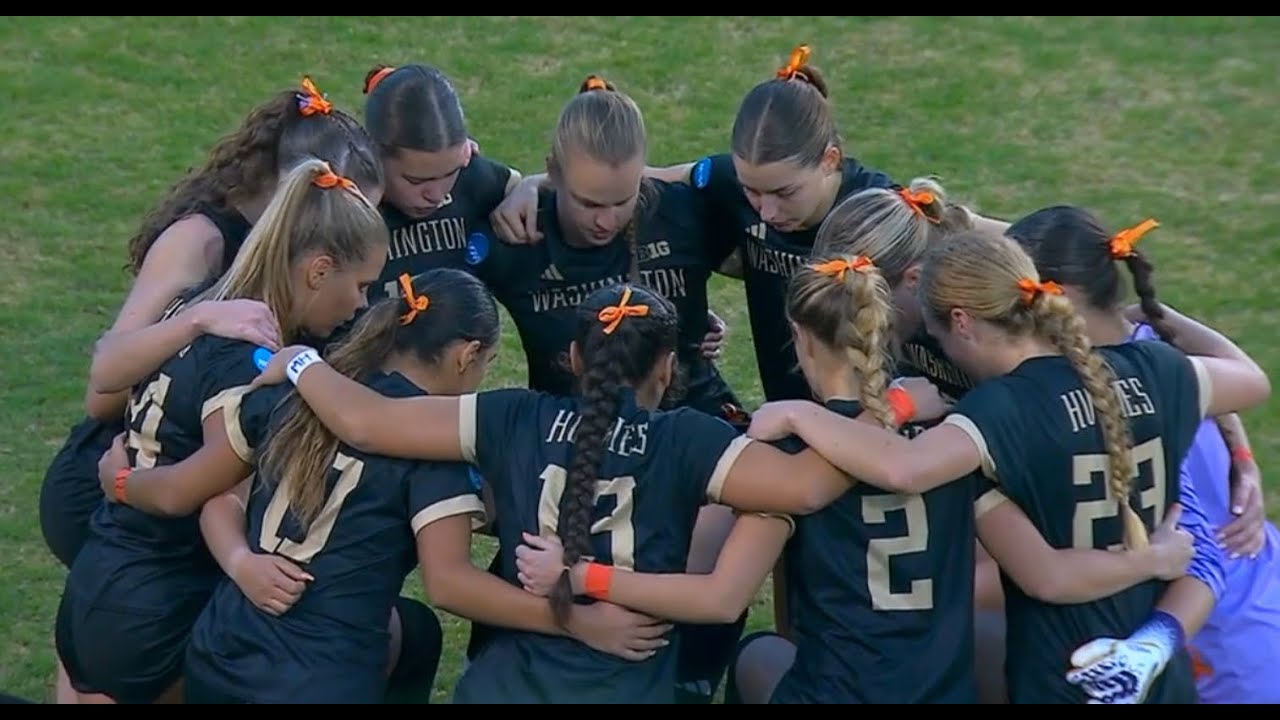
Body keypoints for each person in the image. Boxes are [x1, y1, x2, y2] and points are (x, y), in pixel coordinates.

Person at [510, 254, 1196, 704]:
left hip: (834, 691)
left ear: (800, 341)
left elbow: (708, 573)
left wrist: (586, 573)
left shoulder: (784, 451)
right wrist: (1152, 558)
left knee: (756, 656)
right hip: (944, 692)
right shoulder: (952, 438)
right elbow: (1029, 570)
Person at [250, 282, 914, 703]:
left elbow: (366, 420)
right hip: (623, 688)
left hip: (502, 687)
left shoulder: (510, 415)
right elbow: (805, 487)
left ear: (573, 359)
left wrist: (304, 361)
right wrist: (887, 402)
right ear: (666, 367)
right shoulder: (687, 439)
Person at [743, 228, 1271, 703]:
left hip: (1064, 674)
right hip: (1157, 673)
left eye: (940, 336)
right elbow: (1250, 378)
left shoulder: (1001, 411)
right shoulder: (1156, 367)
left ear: (962, 323)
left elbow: (903, 467)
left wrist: (799, 413)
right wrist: (1160, 314)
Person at [99, 268, 668, 702]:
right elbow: (449, 585)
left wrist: (126, 483)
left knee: (414, 631)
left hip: (220, 652)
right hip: (319, 680)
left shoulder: (297, 394)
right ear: (467, 356)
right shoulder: (431, 449)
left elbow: (206, 494)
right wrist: (578, 623)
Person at [491, 43, 1008, 404]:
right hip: (794, 407)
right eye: (750, 190)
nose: (763, 210)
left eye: (782, 192)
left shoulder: (875, 211)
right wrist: (533, 184)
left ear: (830, 160)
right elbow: (628, 179)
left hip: (880, 407)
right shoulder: (724, 186)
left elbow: (958, 225)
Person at [54, 158, 388, 704]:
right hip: (159, 610)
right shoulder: (248, 358)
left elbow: (107, 367)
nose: (361, 304)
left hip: (96, 579)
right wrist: (121, 485)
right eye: (360, 285)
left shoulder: (201, 306)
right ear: (319, 270)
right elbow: (187, 490)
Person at [465, 73, 747, 701]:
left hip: (687, 425)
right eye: (589, 202)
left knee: (713, 544)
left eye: (622, 200)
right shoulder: (519, 239)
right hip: (569, 441)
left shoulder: (682, 212)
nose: (606, 219)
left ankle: (688, 677)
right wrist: (524, 190)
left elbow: (767, 224)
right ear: (553, 174)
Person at [41, 75, 380, 573]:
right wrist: (198, 321)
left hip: (188, 492)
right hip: (117, 478)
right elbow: (103, 390)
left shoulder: (317, 265)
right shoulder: (201, 242)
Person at [1007, 205, 1280, 704]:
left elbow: (1200, 552)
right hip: (1258, 604)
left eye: (1017, 300)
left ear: (1060, 299)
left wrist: (1152, 644)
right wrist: (1242, 452)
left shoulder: (1124, 397)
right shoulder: (1157, 351)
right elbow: (1238, 375)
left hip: (1228, 653)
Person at [360, 63, 524, 301]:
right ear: (372, 155)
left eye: (450, 174)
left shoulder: (471, 179)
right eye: (416, 180)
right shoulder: (345, 212)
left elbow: (520, 185)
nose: (435, 194)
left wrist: (529, 189)